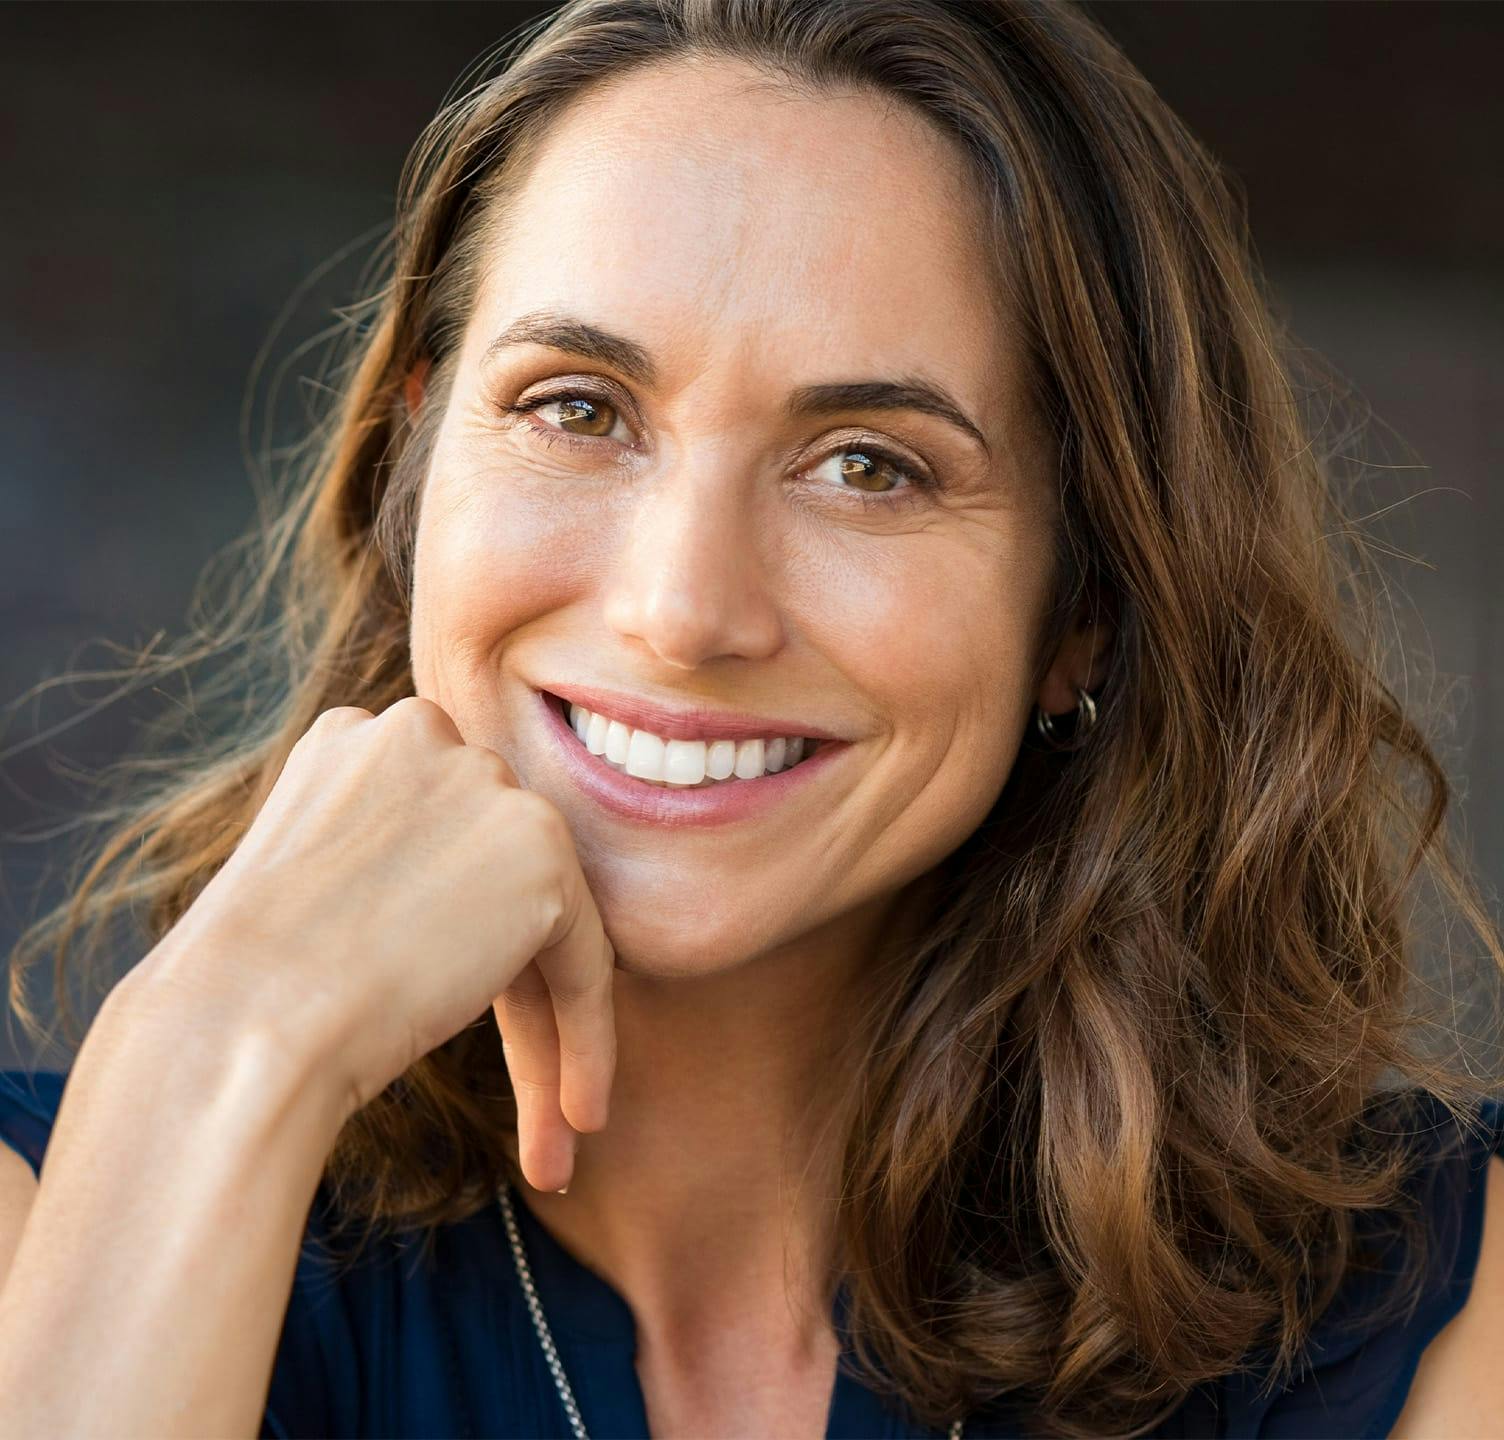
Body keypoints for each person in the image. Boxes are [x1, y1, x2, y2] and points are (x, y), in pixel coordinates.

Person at [1, 0, 1502, 1435]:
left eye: (868, 466)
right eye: (576, 408)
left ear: (1082, 610)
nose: (682, 610)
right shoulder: (39, 1228)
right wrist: (223, 1041)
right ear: (418, 465)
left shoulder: (1448, 1304)